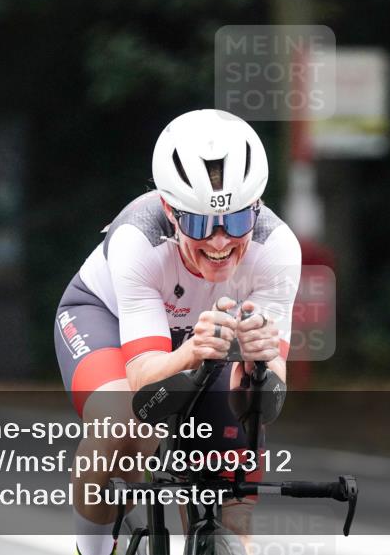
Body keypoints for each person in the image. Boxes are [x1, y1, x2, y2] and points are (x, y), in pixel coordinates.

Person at [55, 109, 300, 555]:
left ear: (257, 208)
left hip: (208, 340)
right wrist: (189, 356)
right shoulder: (138, 240)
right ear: (170, 210)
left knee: (232, 488)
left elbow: (264, 407)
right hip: (106, 321)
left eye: (238, 221)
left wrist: (259, 369)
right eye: (200, 223)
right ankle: (90, 548)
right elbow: (143, 382)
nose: (221, 241)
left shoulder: (278, 251)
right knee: (124, 427)